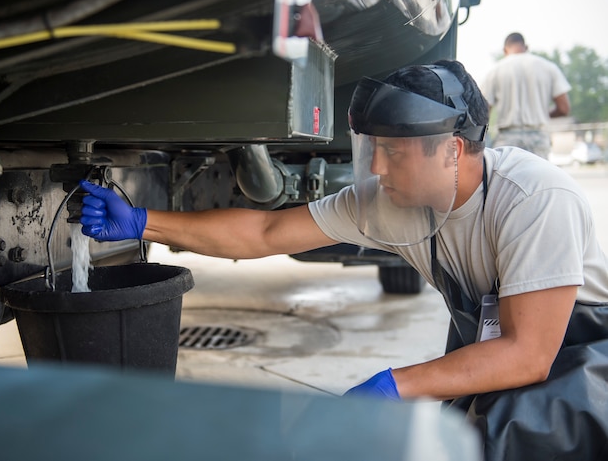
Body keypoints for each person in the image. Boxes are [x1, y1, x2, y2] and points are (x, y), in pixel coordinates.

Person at [79, 59, 608, 461]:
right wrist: (143, 221)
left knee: (496, 438)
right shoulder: (391, 202)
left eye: (395, 152)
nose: (377, 167)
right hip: (504, 337)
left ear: (452, 150)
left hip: (587, 351)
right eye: (373, 148)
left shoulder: (534, 199)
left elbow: (527, 355)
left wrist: (392, 385)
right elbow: (265, 230)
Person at [481, 32, 571, 160]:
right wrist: (543, 114)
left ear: (505, 50)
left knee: (505, 179)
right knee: (538, 179)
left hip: (507, 140)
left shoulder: (495, 71)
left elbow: (484, 111)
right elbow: (564, 108)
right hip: (538, 138)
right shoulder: (549, 68)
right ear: (526, 47)